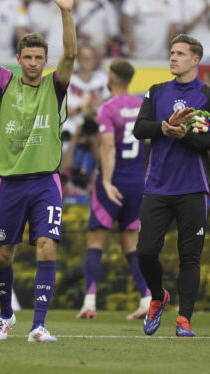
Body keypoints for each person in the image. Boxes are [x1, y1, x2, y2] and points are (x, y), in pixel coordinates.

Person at [0, 0, 77, 343]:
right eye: (27, 56)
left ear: (45, 60)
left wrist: (66, 14)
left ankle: (39, 325)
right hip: (9, 181)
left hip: (45, 181)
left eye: (39, 57)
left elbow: (71, 53)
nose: (32, 62)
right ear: (18, 58)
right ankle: (5, 315)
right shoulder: (5, 84)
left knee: (46, 245)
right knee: (3, 256)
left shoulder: (54, 87)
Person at [133, 34, 210, 338]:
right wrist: (164, 127)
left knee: (190, 256)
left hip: (192, 187)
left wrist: (185, 135)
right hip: (158, 186)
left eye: (179, 53)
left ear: (195, 60)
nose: (173, 57)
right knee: (146, 252)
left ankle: (184, 320)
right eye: (171, 52)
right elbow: (139, 129)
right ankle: (159, 296)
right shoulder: (156, 91)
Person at [76, 59, 150, 321]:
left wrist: (106, 182)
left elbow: (108, 148)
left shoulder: (108, 108)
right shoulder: (142, 106)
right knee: (130, 243)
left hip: (115, 180)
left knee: (96, 240)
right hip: (138, 181)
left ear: (113, 78)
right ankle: (147, 298)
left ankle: (90, 302)